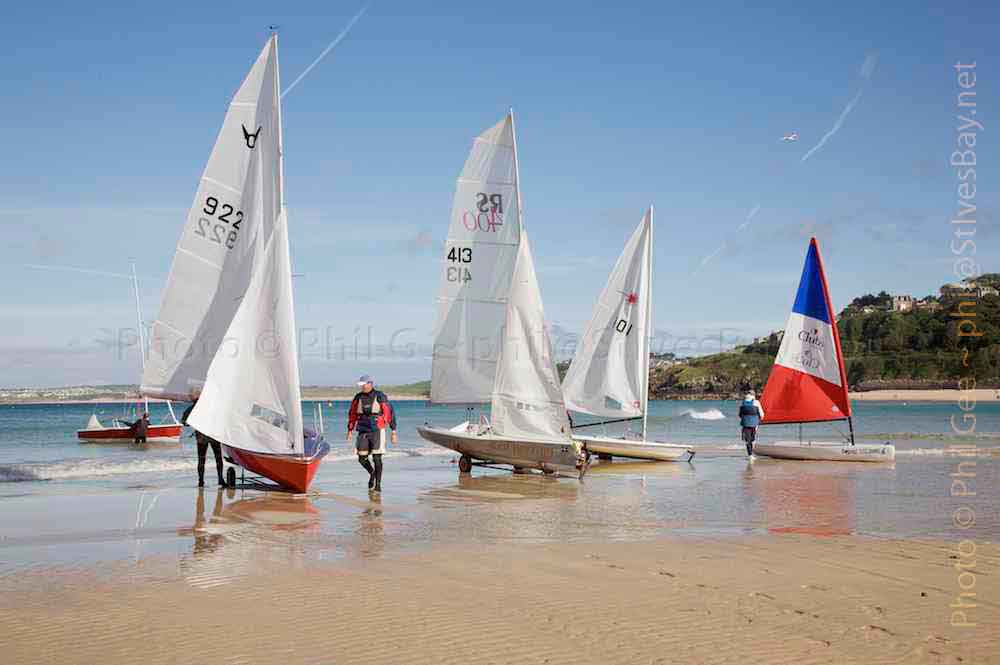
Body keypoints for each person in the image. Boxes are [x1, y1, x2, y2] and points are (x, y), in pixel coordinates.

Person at [346, 375, 397, 493]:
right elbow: (352, 414)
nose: (363, 387)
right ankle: (372, 473)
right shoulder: (358, 397)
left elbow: (389, 413)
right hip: (362, 429)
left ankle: (378, 485)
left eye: (365, 384)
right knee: (362, 458)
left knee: (376, 458)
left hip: (377, 429)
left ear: (370, 384)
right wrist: (349, 430)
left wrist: (393, 431)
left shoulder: (380, 396)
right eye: (361, 385)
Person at [181, 399, 226, 488]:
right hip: (213, 435)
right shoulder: (213, 405)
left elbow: (184, 421)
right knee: (218, 458)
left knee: (201, 459)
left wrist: (194, 423)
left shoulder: (194, 407)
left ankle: (201, 481)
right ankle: (220, 479)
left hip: (202, 436)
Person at [739, 391, 765, 456]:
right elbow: (762, 414)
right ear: (753, 395)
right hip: (754, 424)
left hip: (745, 423)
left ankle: (750, 455)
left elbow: (740, 415)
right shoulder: (756, 402)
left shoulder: (743, 402)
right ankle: (753, 451)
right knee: (752, 439)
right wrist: (759, 420)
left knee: (747, 440)